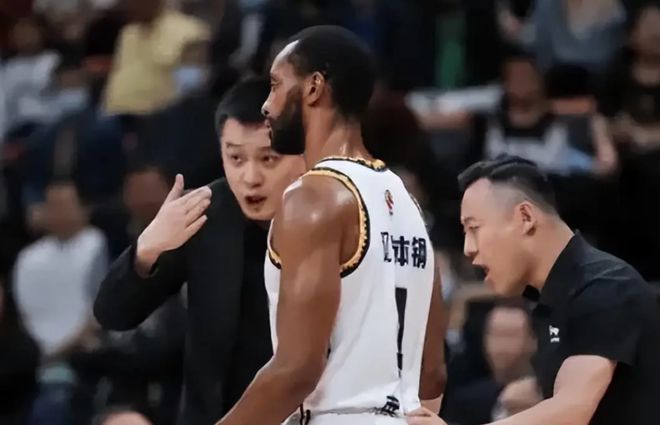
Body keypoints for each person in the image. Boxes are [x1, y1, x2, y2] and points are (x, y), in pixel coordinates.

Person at [215, 26, 446, 425]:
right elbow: (433, 372)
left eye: (276, 85)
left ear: (314, 87)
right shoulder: (408, 204)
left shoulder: (312, 198)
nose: (266, 105)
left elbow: (296, 370)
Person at [94, 77, 306, 425]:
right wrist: (148, 246)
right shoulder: (205, 211)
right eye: (235, 158)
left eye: (268, 159)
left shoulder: (339, 211)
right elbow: (113, 314)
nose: (250, 177)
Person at [407, 155, 660, 425]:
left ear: (525, 217)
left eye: (474, 228)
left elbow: (572, 410)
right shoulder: (552, 295)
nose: (468, 248)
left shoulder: (605, 286)